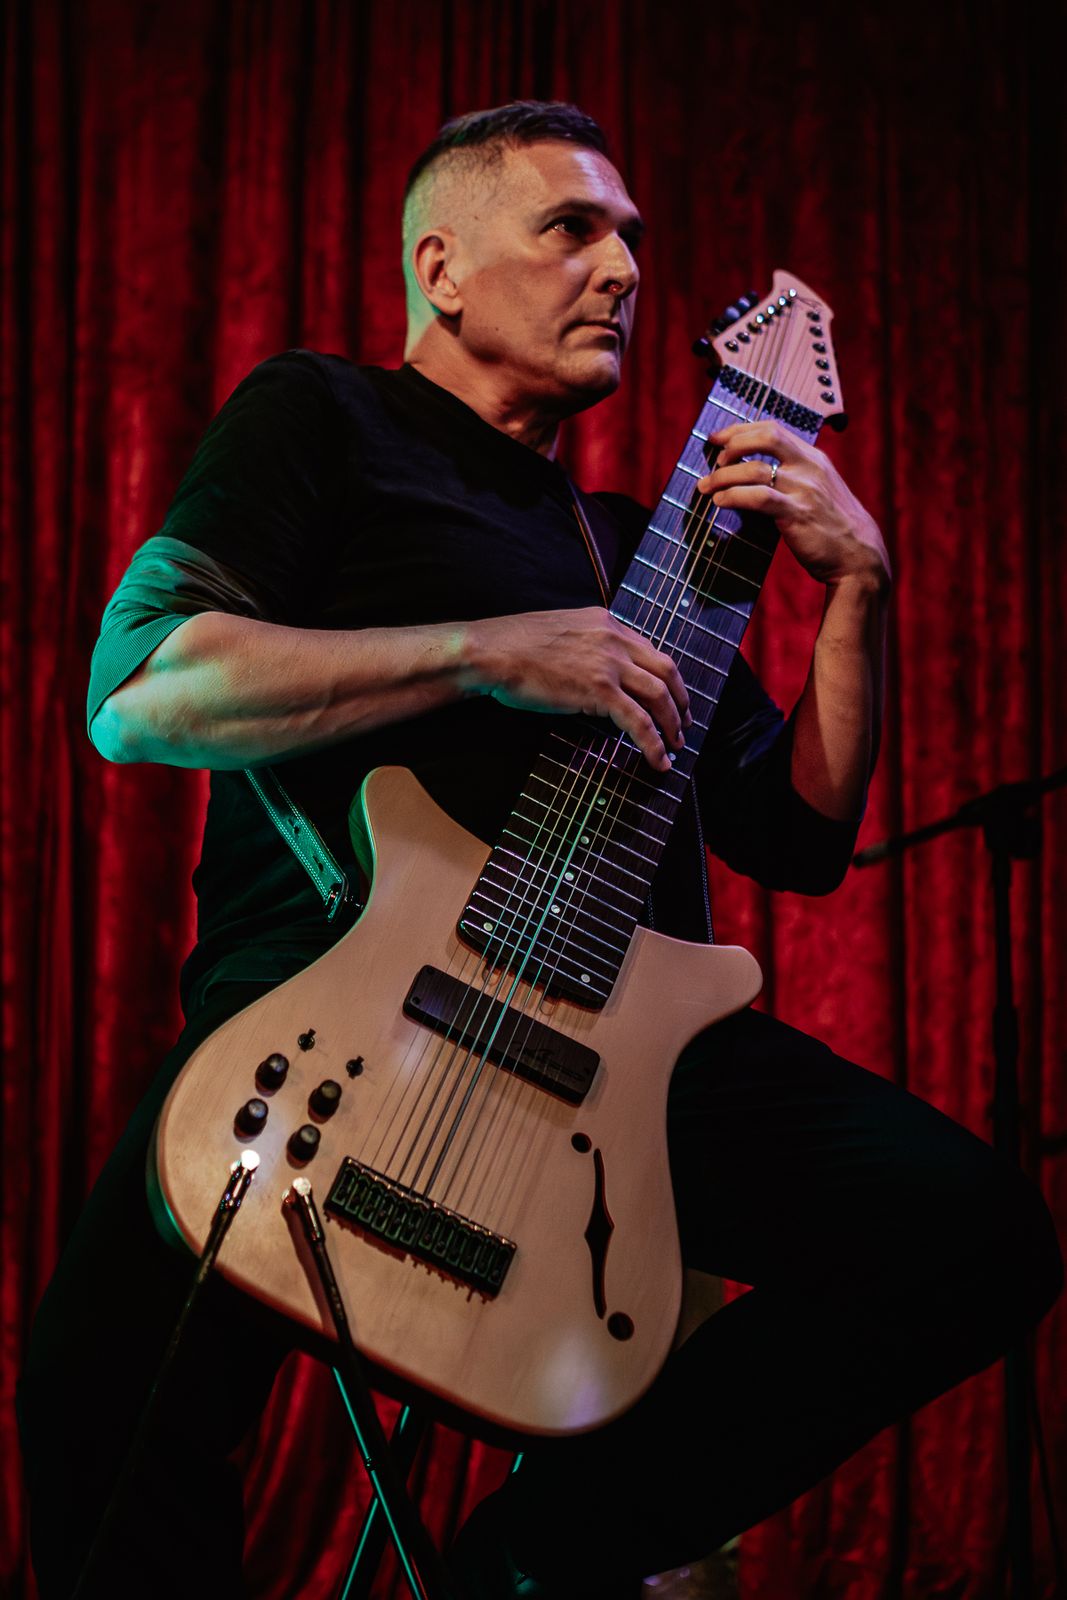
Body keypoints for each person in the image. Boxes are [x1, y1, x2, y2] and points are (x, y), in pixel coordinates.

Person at [18, 101, 1061, 1599]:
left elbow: (800, 836)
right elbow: (141, 691)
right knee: (98, 1390)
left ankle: (536, 1559)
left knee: (977, 1237)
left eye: (632, 240)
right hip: (335, 1014)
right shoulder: (326, 419)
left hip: (604, 1063)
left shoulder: (639, 552)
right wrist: (487, 651)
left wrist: (859, 593)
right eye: (572, 228)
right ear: (442, 268)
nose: (621, 269)